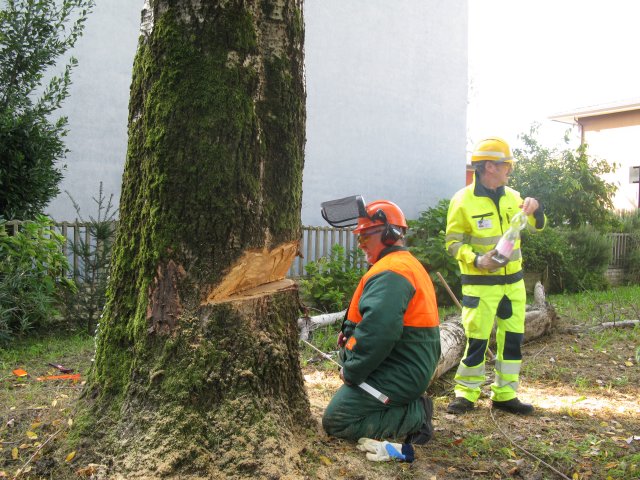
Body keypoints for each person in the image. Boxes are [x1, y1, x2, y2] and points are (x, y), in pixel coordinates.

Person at [322, 200, 441, 445]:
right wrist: (350, 332)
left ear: (391, 233)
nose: (361, 243)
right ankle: (402, 403)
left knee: (338, 420)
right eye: (359, 237)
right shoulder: (397, 266)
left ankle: (416, 415)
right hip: (399, 363)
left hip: (400, 370)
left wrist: (352, 371)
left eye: (365, 236)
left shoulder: (393, 271)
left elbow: (380, 332)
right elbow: (376, 319)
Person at [445, 137, 546, 415]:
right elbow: (452, 244)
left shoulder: (514, 197)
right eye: (507, 165)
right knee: (477, 341)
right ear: (490, 166)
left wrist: (536, 209)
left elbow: (537, 226)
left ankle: (505, 394)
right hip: (480, 286)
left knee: (512, 340)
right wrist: (477, 259)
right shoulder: (462, 200)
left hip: (513, 284)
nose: (510, 170)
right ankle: (466, 394)